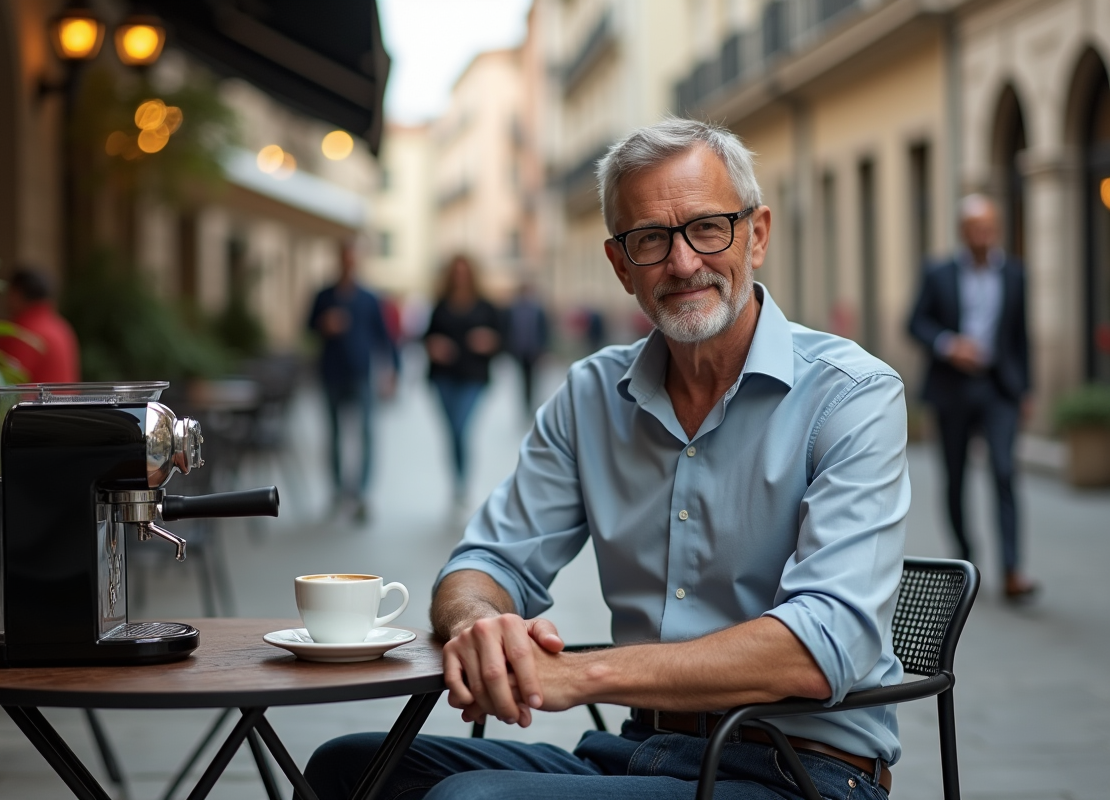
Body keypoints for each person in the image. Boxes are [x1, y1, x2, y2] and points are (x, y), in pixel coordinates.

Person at [307, 119, 908, 800]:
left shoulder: (851, 395)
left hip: (800, 772)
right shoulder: (592, 393)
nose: (683, 264)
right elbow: (484, 562)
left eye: (708, 227)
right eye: (651, 240)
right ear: (622, 266)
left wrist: (579, 677)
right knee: (348, 768)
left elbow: (820, 646)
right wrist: (482, 626)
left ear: (757, 234)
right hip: (644, 754)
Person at [908, 194, 1037, 601]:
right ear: (963, 233)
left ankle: (1013, 570)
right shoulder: (939, 273)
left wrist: (1027, 389)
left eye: (989, 228)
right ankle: (964, 561)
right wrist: (949, 344)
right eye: (976, 229)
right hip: (952, 388)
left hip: (999, 388)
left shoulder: (1015, 274)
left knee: (1003, 471)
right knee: (956, 477)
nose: (984, 236)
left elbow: (1021, 335)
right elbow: (915, 323)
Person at [308, 239, 399, 523]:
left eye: (352, 258)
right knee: (334, 435)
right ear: (339, 260)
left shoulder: (369, 298)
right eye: (345, 257)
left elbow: (384, 336)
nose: (349, 262)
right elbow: (308, 326)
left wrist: (393, 369)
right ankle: (337, 491)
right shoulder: (324, 296)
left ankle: (360, 495)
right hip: (331, 373)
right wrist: (325, 324)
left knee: (366, 435)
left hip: (361, 374)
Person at [424, 255, 503, 509]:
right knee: (451, 433)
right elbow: (426, 336)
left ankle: (462, 483)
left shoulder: (485, 306)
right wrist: (433, 345)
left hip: (473, 376)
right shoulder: (441, 305)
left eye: (464, 272)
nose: (460, 277)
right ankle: (457, 483)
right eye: (455, 272)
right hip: (443, 377)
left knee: (461, 428)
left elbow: (503, 339)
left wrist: (489, 341)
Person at [0, 267, 80, 383]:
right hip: (65, 401)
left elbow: (5, 385)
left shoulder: (22, 333)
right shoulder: (62, 327)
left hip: (34, 400)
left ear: (16, 294)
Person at [504, 282, 550, 415]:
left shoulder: (537, 310)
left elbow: (544, 331)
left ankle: (531, 402)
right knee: (522, 379)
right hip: (519, 350)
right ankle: (525, 404)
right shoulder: (513, 310)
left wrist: (543, 349)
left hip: (533, 350)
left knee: (533, 379)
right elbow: (508, 329)